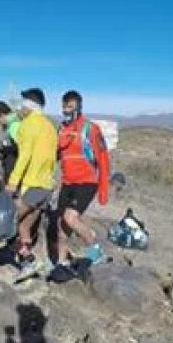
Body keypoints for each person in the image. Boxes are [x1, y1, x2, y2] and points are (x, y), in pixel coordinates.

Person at [5, 88, 58, 280]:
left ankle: (28, 259)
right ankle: (29, 263)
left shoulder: (28, 125)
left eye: (21, 104)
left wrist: (12, 182)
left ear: (29, 106)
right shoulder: (51, 126)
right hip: (46, 186)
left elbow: (25, 156)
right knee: (24, 225)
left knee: (9, 220)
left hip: (32, 185)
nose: (19, 108)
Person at [57, 90, 111, 265]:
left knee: (70, 218)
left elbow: (103, 159)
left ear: (79, 107)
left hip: (86, 182)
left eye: (70, 106)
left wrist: (103, 189)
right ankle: (61, 262)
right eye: (64, 106)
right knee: (61, 227)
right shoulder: (62, 129)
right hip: (67, 183)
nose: (66, 110)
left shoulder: (90, 129)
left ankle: (96, 249)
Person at [0, 100, 22, 184]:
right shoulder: (11, 124)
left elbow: (20, 147)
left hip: (14, 167)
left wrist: (4, 149)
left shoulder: (14, 125)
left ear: (2, 115)